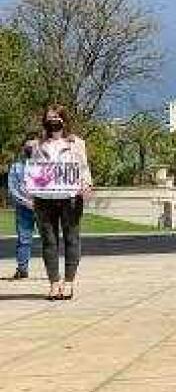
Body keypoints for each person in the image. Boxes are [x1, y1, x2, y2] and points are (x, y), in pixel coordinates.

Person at [31, 106, 93, 300]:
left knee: (71, 239)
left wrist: (87, 185)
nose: (53, 121)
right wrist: (31, 192)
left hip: (70, 198)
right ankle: (54, 283)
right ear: (44, 121)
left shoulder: (77, 143)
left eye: (57, 117)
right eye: (50, 118)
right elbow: (34, 170)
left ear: (64, 120)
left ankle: (68, 282)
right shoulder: (37, 145)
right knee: (49, 241)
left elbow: (83, 168)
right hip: (44, 199)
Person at [7, 134, 39, 280]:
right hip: (23, 208)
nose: (31, 149)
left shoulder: (45, 166)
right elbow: (12, 189)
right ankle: (22, 269)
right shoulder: (16, 167)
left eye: (34, 146)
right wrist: (25, 201)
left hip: (43, 208)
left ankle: (53, 271)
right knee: (23, 239)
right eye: (28, 146)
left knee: (49, 239)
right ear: (24, 148)